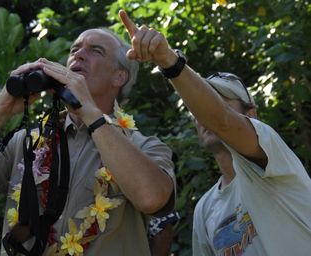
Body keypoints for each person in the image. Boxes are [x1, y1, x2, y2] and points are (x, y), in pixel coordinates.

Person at [0, 27, 176, 255]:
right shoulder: (28, 142)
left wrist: (89, 111)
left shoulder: (144, 147)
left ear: (119, 77)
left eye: (95, 51)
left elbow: (151, 198)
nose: (79, 55)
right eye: (75, 49)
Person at [119, 9, 311, 256]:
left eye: (221, 102)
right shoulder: (205, 208)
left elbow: (222, 121)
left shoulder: (273, 157)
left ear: (250, 115)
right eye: (198, 106)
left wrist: (168, 59)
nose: (203, 114)